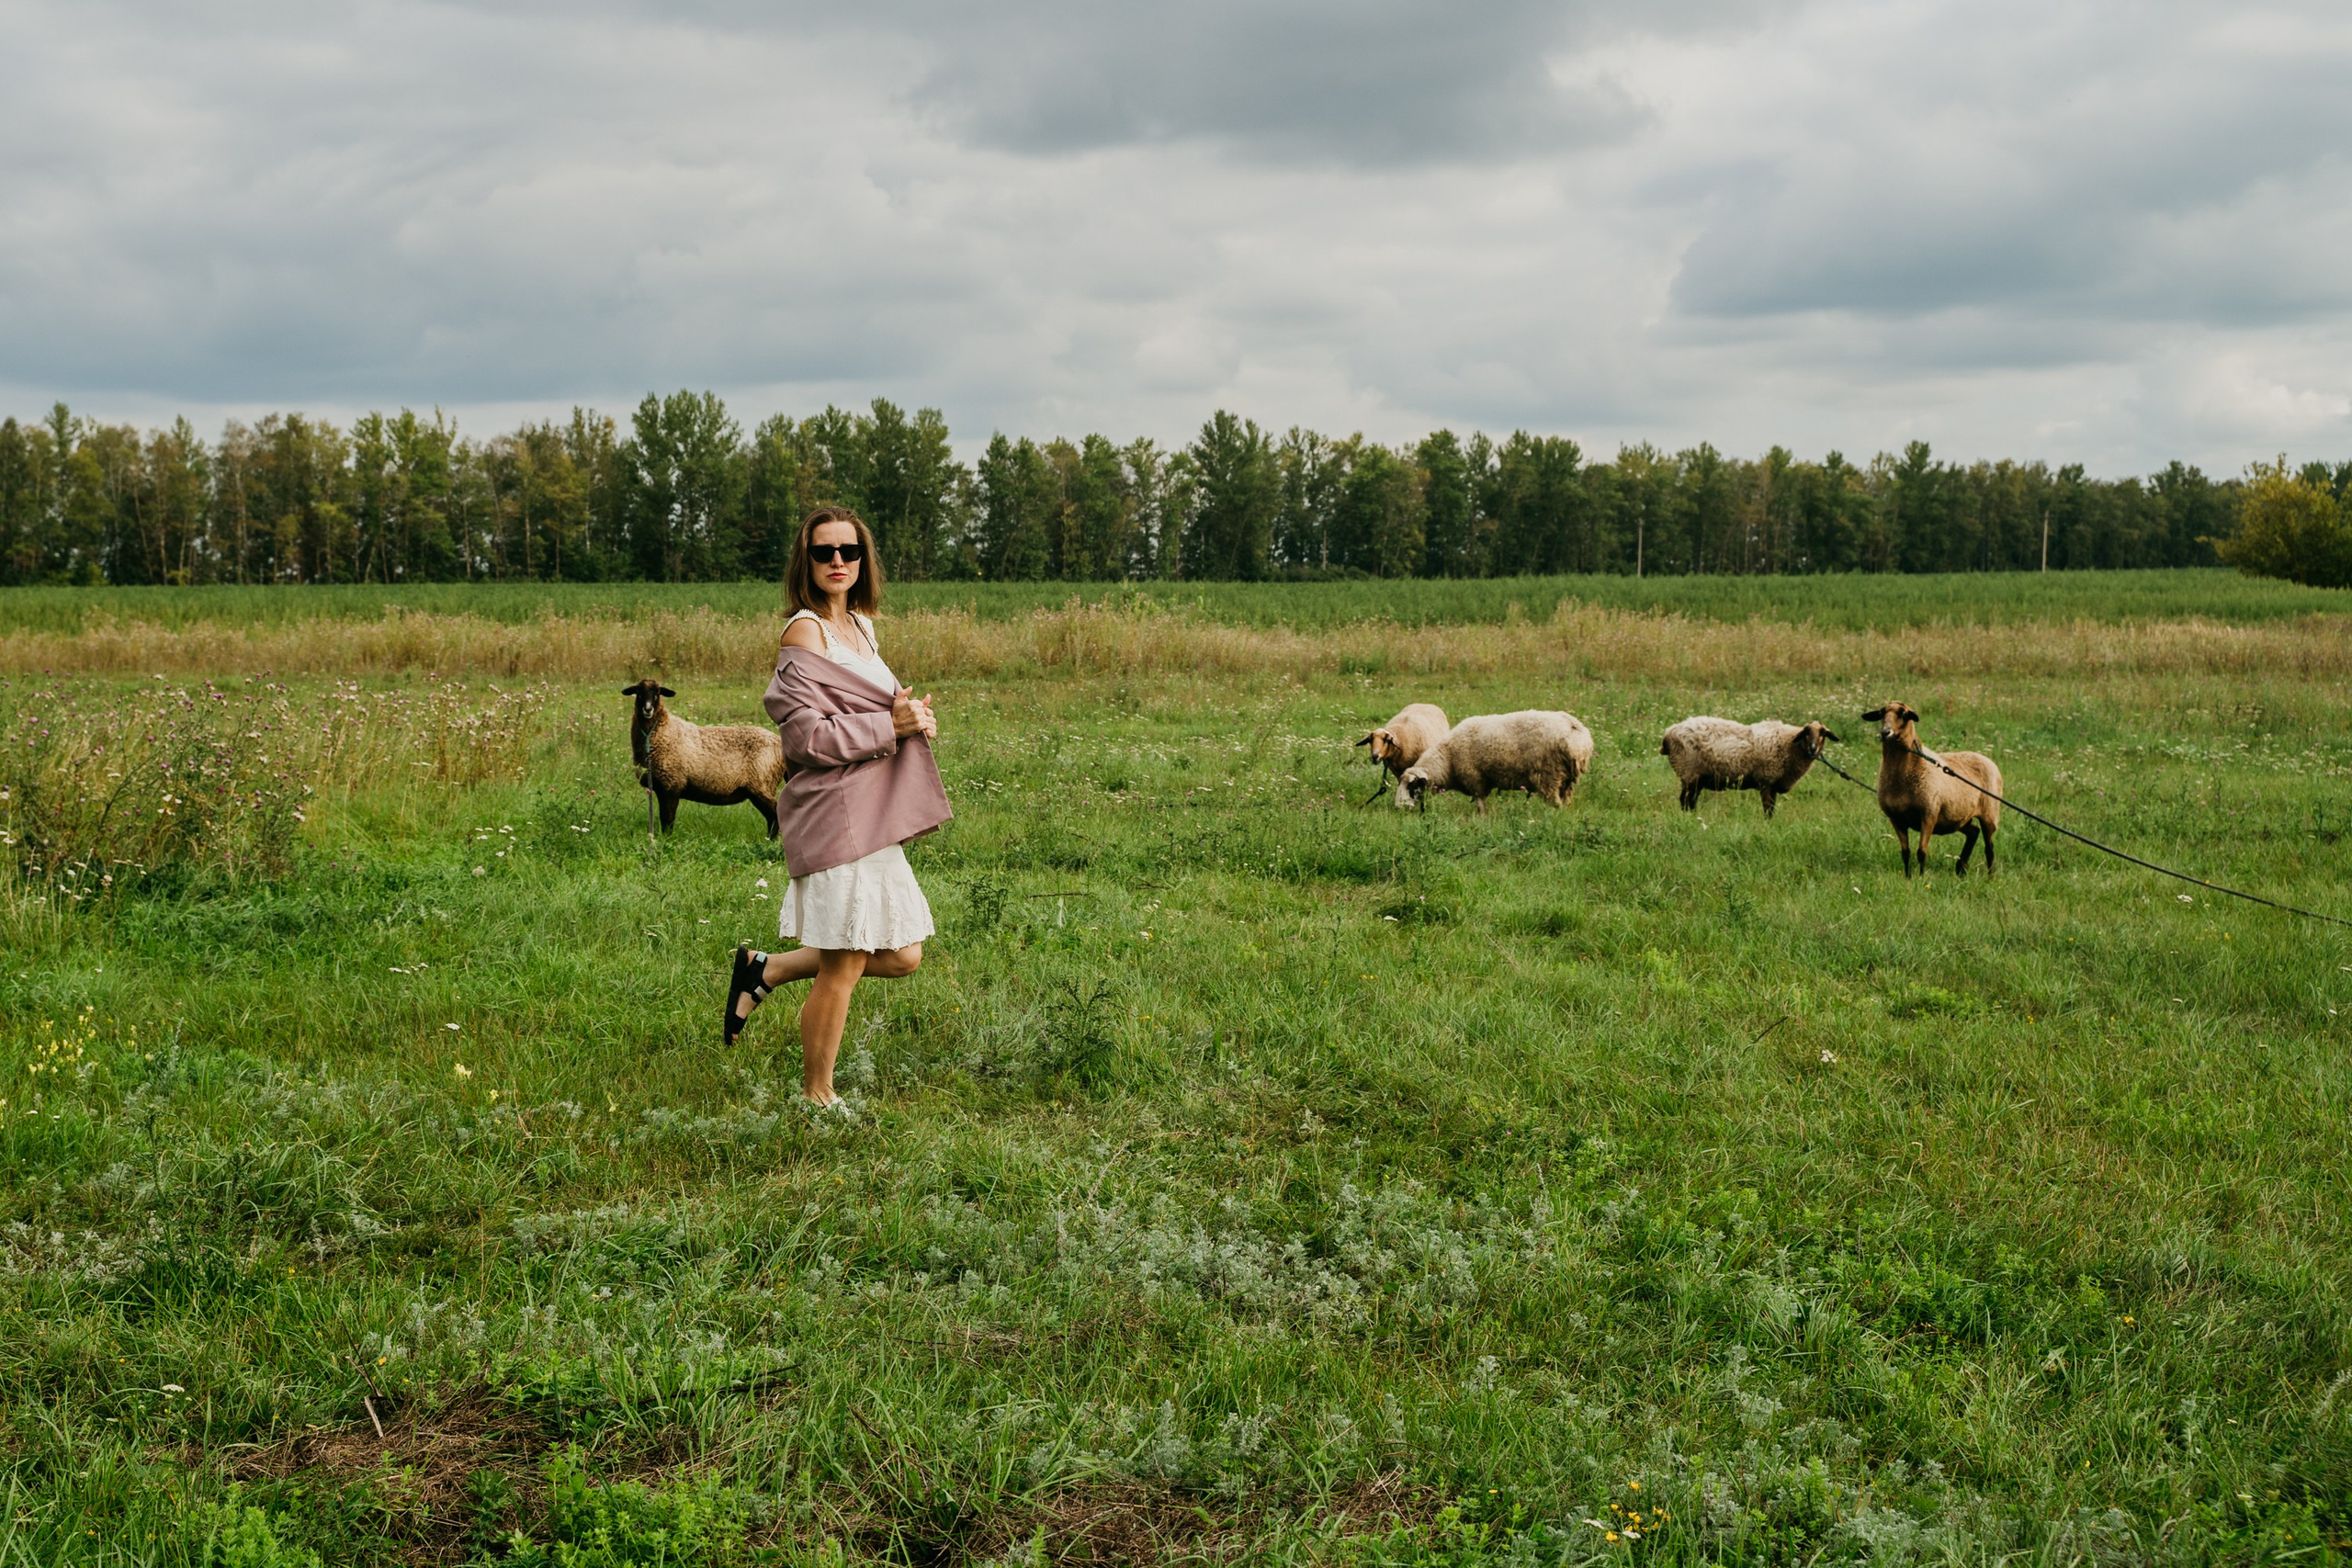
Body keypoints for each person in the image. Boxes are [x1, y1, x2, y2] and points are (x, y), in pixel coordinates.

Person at [723, 505, 951, 1108]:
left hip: (870, 811)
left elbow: (875, 709)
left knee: (903, 954)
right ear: (807, 561)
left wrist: (910, 719)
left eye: (848, 551)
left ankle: (764, 970)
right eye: (824, 552)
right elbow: (804, 741)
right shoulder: (805, 632)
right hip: (835, 812)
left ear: (863, 559)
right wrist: (887, 724)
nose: (837, 562)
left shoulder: (862, 627)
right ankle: (817, 1097)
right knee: (846, 960)